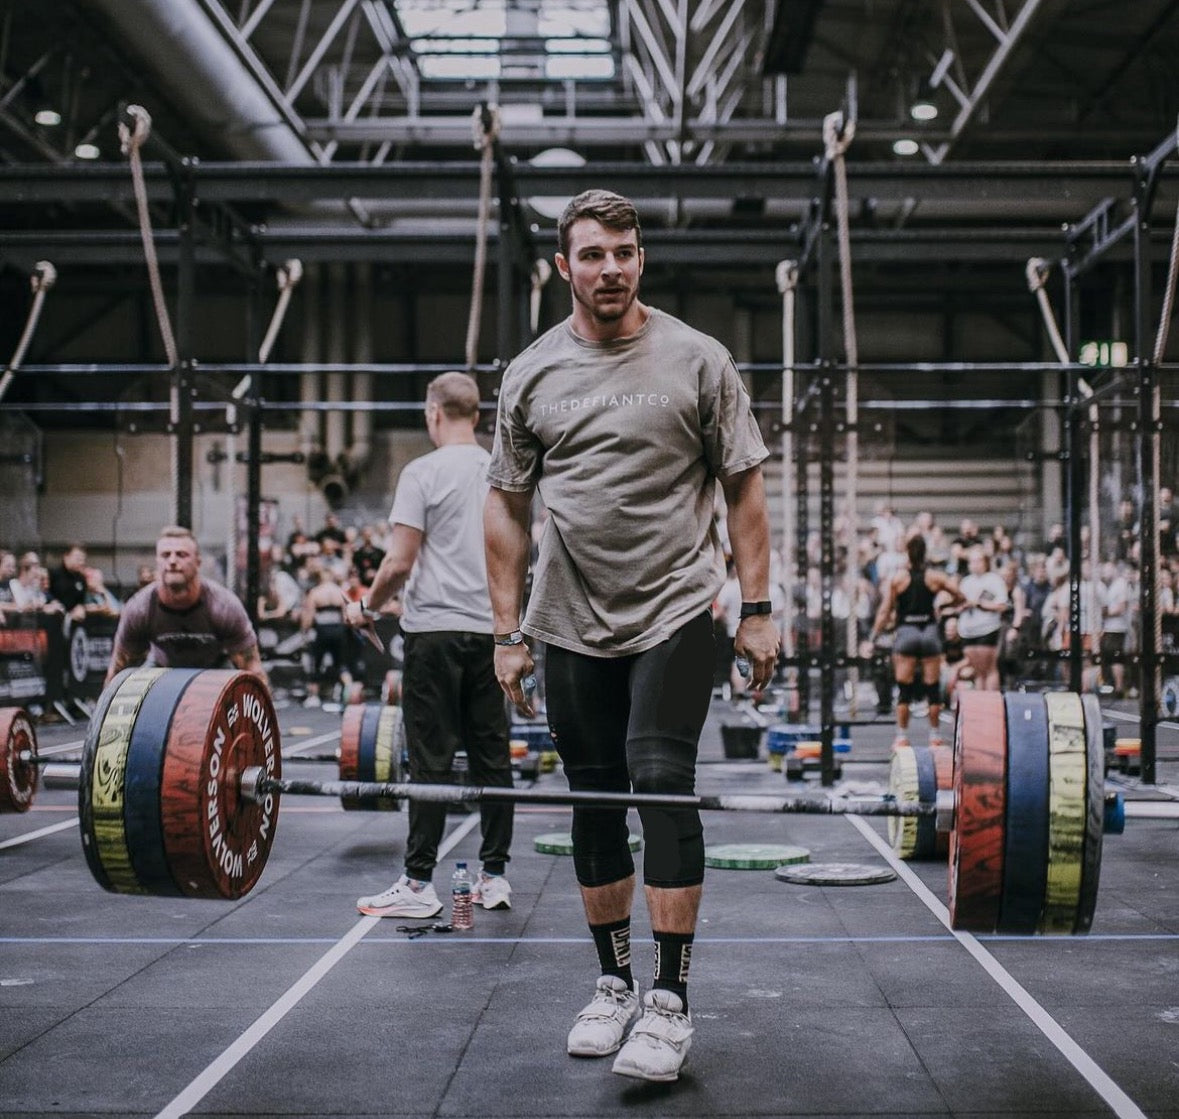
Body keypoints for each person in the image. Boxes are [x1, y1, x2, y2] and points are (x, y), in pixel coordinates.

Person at [483, 189, 778, 1084]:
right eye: (591, 253)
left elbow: (744, 487)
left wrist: (757, 609)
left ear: (639, 258)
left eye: (623, 251)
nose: (609, 267)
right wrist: (506, 630)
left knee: (659, 780)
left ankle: (669, 999)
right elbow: (505, 504)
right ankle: (611, 983)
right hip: (568, 616)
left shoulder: (697, 358)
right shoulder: (531, 373)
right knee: (596, 797)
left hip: (677, 608)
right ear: (562, 266)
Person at [344, 371, 515, 921]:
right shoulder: (501, 468)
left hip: (435, 634)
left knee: (432, 761)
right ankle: (493, 877)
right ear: (480, 416)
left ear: (433, 413)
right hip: (491, 632)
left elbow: (398, 562)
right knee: (491, 756)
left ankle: (418, 882)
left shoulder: (421, 472)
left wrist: (367, 608)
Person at [104, 526, 266, 685]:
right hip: (162, 669)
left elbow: (253, 670)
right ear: (157, 561)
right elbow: (117, 673)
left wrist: (265, 709)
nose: (173, 561)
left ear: (198, 562)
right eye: (166, 555)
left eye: (181, 555)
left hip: (214, 670)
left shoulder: (223, 606)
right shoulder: (140, 608)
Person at [870, 532, 963, 748]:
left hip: (906, 632)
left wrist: (873, 637)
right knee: (932, 690)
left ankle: (901, 736)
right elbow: (960, 596)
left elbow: (885, 612)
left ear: (907, 553)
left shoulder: (898, 579)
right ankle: (934, 736)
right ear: (925, 552)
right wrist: (944, 607)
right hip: (929, 632)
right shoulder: (935, 577)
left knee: (905, 689)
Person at [957, 545, 1010, 691]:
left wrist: (981, 604)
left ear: (985, 562)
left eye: (978, 561)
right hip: (968, 630)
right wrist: (963, 605)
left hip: (987, 628)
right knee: (978, 672)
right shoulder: (966, 582)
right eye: (972, 561)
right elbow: (958, 604)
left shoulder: (994, 580)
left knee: (989, 669)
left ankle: (992, 703)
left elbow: (1002, 605)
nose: (975, 564)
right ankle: (981, 705)